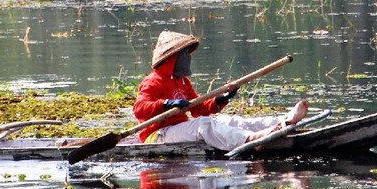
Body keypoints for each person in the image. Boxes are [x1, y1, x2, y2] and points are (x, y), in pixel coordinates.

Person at [132, 30, 308, 152]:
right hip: (158, 135)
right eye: (186, 55)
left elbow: (198, 108)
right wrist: (166, 104)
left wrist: (221, 100)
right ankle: (251, 140)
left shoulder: (182, 81)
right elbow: (139, 108)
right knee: (203, 125)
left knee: (229, 120)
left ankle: (284, 121)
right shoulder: (152, 81)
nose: (189, 58)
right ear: (173, 59)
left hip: (178, 128)